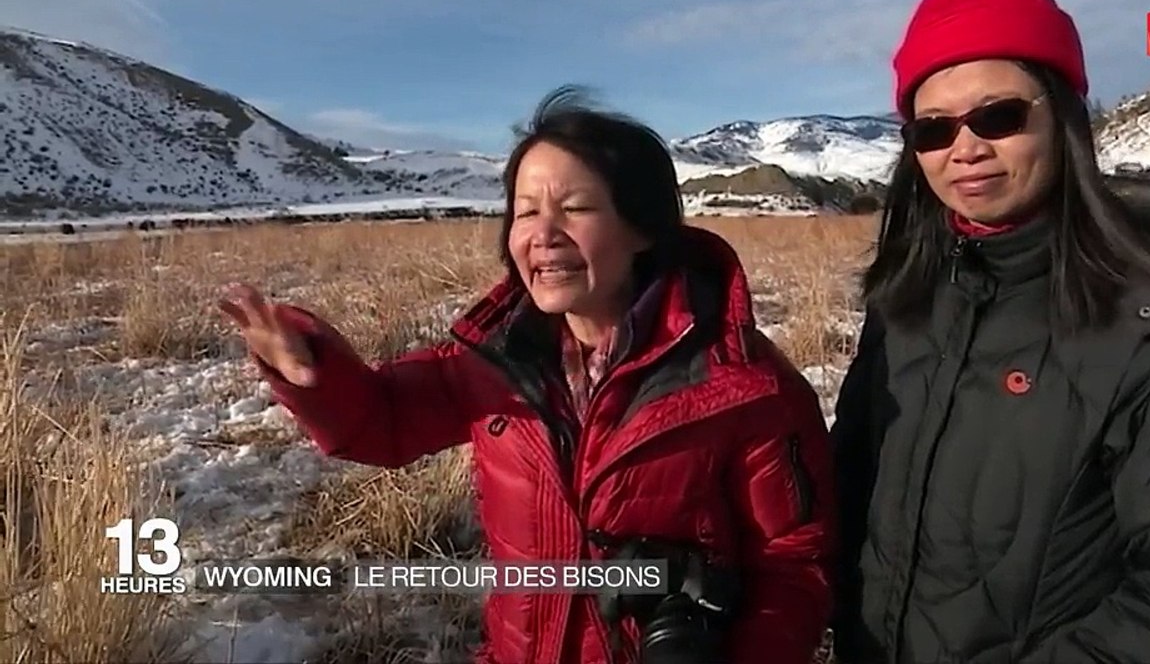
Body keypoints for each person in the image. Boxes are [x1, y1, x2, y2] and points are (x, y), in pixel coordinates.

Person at [218, 86, 835, 664]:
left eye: (575, 208)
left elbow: (795, 565)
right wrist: (311, 369)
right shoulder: (496, 362)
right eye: (525, 211)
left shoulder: (743, 387)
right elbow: (386, 422)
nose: (543, 235)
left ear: (642, 228)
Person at [830, 0, 1150, 664]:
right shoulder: (904, 303)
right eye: (934, 131)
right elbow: (848, 507)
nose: (966, 150)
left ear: (1064, 119)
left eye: (998, 116)